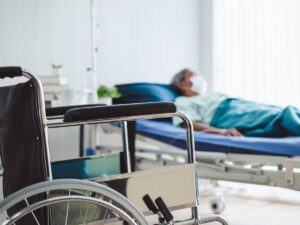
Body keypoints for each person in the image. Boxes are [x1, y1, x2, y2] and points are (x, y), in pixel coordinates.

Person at [171, 68, 300, 137]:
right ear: (181, 84)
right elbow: (188, 123)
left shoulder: (209, 96)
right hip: (224, 115)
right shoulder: (182, 101)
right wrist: (220, 131)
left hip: (237, 105)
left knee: (274, 111)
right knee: (276, 116)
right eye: (194, 76)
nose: (200, 79)